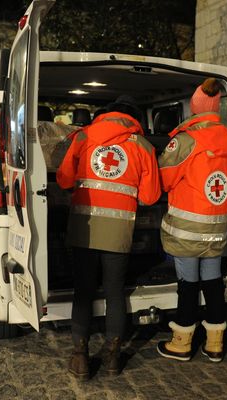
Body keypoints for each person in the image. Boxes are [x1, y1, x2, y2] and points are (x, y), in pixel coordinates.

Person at [56, 95, 161, 379]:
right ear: (134, 119)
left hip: (84, 227)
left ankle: (80, 358)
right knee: (115, 292)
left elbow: (64, 180)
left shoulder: (83, 137)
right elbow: (151, 196)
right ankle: (113, 357)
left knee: (84, 291)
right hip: (119, 230)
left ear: (106, 114)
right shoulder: (142, 145)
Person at [156, 78, 227, 362]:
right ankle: (215, 344)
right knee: (213, 282)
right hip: (217, 228)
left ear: (194, 108)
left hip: (187, 230)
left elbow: (164, 180)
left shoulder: (185, 141)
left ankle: (181, 343)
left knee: (188, 285)